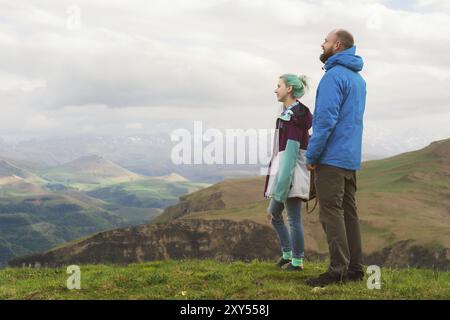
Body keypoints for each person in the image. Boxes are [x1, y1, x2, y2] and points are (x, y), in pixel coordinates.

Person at [305, 29, 366, 287]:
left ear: (337, 45)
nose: (322, 43)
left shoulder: (333, 77)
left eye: (326, 41)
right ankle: (354, 268)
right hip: (350, 157)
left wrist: (313, 154)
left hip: (331, 157)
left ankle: (337, 270)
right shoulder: (357, 79)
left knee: (331, 214)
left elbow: (325, 120)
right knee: (349, 213)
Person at [263, 74, 313, 271]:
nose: (275, 90)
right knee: (274, 213)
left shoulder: (294, 117)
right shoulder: (288, 112)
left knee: (293, 219)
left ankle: (297, 261)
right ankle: (287, 254)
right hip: (285, 173)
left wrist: (282, 186)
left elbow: (291, 155)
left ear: (289, 89)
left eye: (279, 86)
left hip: (291, 175)